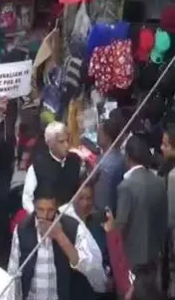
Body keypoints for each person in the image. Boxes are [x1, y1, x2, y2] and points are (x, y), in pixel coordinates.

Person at [9, 185, 101, 300]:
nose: (45, 216)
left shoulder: (72, 227)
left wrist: (60, 236)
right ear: (34, 206)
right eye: (41, 210)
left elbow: (89, 266)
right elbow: (13, 272)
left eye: (50, 210)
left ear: (57, 207)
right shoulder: (23, 229)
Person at [109, 135, 167, 299]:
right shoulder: (159, 182)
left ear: (128, 157)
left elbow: (121, 225)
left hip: (132, 261)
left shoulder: (126, 186)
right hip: (154, 257)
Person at [58, 183, 110, 294]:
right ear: (73, 199)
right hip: (74, 286)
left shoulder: (98, 222)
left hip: (99, 288)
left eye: (89, 198)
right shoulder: (66, 224)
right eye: (81, 198)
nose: (85, 203)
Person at [22, 122, 81, 212]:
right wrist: (39, 216)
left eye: (67, 140)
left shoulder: (75, 161)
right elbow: (27, 199)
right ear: (50, 144)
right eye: (61, 142)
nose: (66, 145)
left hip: (71, 214)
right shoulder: (38, 166)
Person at [93, 116, 126, 212]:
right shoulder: (122, 158)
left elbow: (101, 199)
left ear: (107, 137)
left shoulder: (104, 165)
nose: (97, 137)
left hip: (105, 212)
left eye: (99, 134)